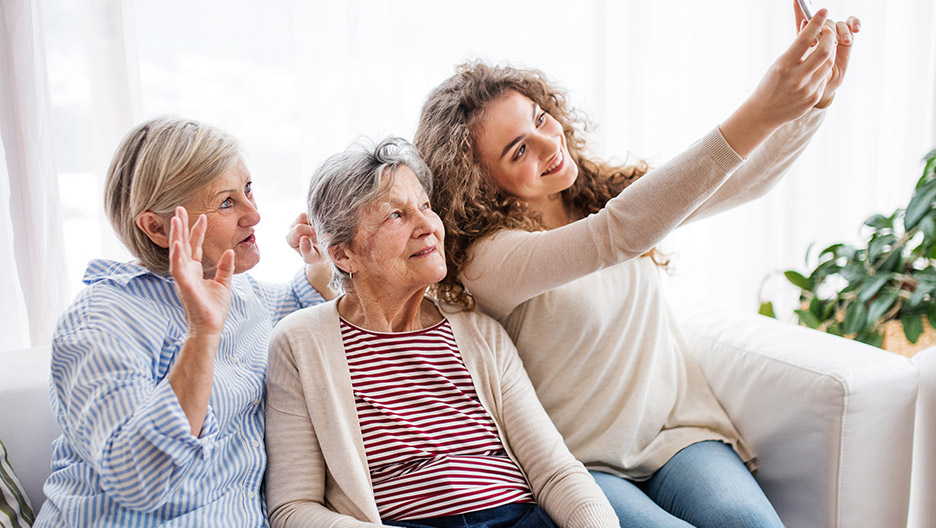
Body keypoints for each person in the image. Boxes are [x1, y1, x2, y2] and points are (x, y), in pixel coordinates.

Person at [413, 6, 860, 528]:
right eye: (519, 151)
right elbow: (615, 236)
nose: (549, 144)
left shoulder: (603, 192)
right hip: (579, 463)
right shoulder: (492, 257)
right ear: (480, 182)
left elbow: (745, 180)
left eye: (540, 119)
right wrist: (762, 107)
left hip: (678, 435)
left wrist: (813, 100)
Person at [263, 137, 619, 528]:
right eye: (396, 215)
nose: (428, 226)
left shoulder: (480, 332)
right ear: (344, 254)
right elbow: (292, 508)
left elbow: (555, 472)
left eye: (426, 207)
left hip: (520, 518)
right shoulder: (300, 343)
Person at [34, 116, 334, 526]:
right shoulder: (99, 322)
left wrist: (318, 268)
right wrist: (202, 335)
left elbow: (293, 309)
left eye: (248, 189)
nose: (255, 215)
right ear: (156, 228)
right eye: (227, 202)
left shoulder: (242, 292)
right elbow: (137, 480)